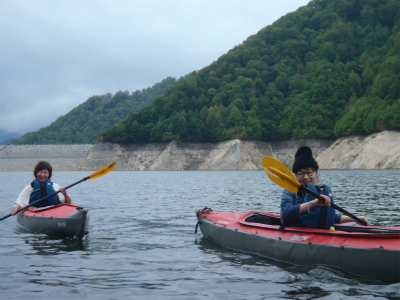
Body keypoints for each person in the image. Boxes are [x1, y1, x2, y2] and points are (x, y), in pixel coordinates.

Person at [280, 146, 370, 229]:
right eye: (301, 174)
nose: (306, 177)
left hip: (321, 236)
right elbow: (286, 213)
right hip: (299, 235)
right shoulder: (290, 192)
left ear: (316, 173)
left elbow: (329, 217)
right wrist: (313, 203)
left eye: (309, 172)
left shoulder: (322, 191)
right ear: (296, 176)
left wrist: (356, 219)